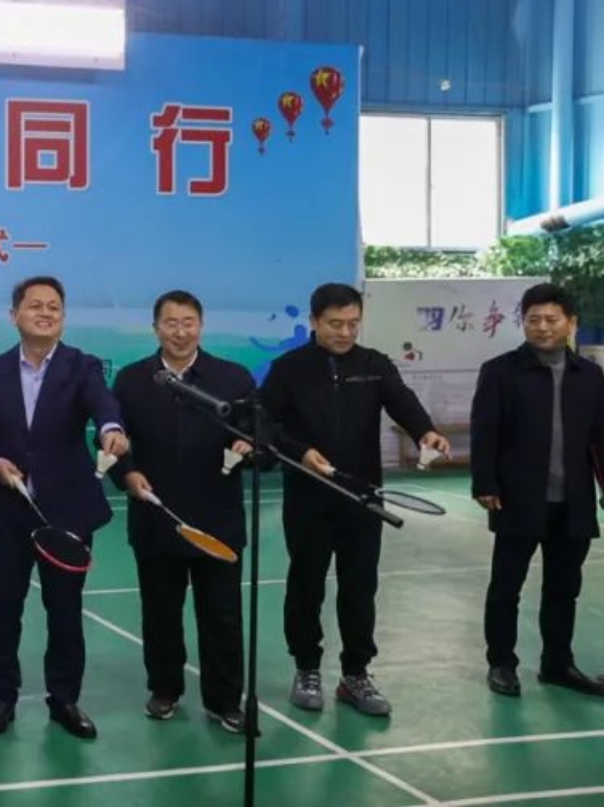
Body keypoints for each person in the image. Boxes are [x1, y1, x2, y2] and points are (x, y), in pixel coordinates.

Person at [262, 282, 448, 716]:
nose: (345, 333)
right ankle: (306, 667)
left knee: (360, 587)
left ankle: (355, 674)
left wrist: (425, 431)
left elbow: (403, 402)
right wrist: (299, 452)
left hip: (363, 497)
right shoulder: (289, 369)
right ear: (314, 321)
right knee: (306, 584)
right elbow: (263, 423)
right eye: (335, 324)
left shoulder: (374, 364)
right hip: (308, 497)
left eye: (353, 324)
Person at [0, 276, 129, 741]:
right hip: (9, 512)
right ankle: (1, 698)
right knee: (4, 607)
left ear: (63, 317)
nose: (46, 313)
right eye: (35, 306)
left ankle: (65, 699)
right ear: (14, 315)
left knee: (66, 609)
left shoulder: (82, 366)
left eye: (54, 306)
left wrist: (111, 429)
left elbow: (103, 406)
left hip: (66, 511)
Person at [108, 290, 254, 733]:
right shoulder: (132, 380)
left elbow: (258, 431)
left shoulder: (232, 378)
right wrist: (127, 475)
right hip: (157, 518)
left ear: (201, 326)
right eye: (171, 323)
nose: (180, 332)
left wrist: (247, 446)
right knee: (160, 614)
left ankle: (225, 700)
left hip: (218, 520)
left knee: (222, 615)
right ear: (155, 328)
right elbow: (113, 440)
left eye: (188, 322)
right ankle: (164, 689)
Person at [472, 282, 604, 698]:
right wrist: (485, 482)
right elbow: (485, 431)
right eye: (533, 320)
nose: (542, 327)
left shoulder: (590, 376)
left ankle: (558, 664)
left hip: (574, 501)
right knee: (506, 587)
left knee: (564, 589)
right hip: (517, 498)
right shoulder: (500, 371)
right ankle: (501, 663)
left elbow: (601, 437)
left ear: (571, 323)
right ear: (523, 322)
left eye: (551, 319)